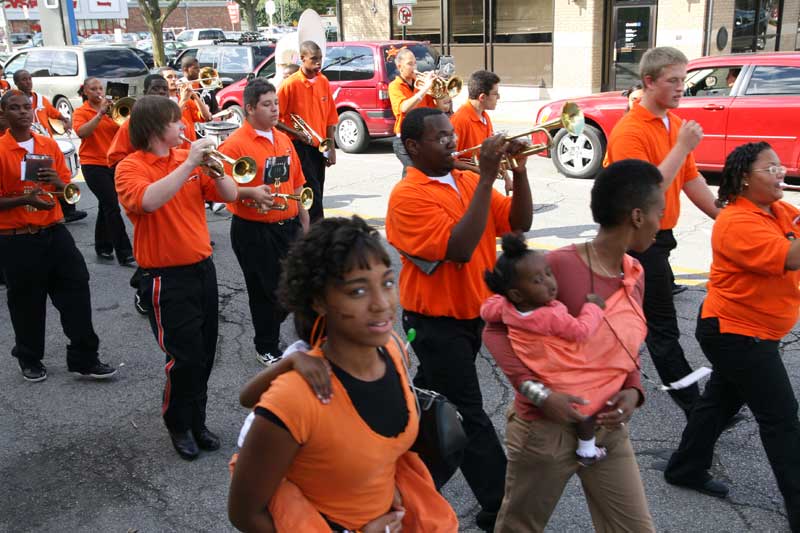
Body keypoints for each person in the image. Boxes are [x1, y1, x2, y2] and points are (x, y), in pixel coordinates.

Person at [228, 215, 458, 533]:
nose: (382, 304)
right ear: (319, 301)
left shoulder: (391, 349)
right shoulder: (294, 399)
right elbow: (245, 514)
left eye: (388, 283)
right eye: (358, 292)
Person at [483, 159, 661, 532]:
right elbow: (495, 331)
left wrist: (633, 388)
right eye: (661, 211)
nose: (664, 222)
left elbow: (622, 343)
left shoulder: (635, 272)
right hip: (544, 430)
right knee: (520, 527)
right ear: (638, 217)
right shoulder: (556, 267)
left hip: (606, 427)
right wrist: (542, 395)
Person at [385, 107, 533, 531]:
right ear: (413, 147)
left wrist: (519, 172)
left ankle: (401, 480)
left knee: (430, 411)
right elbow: (459, 249)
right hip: (435, 322)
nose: (452, 142)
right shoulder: (408, 195)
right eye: (441, 138)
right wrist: (487, 177)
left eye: (452, 135)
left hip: (474, 315)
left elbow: (518, 224)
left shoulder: (467, 179)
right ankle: (502, 508)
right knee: (469, 412)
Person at [664, 142, 800, 531]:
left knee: (720, 402)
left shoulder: (776, 210)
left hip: (748, 332)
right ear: (743, 178)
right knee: (781, 419)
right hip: (738, 334)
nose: (780, 173)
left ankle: (685, 468)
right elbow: (791, 256)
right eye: (769, 168)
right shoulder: (737, 222)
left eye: (779, 166)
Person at [114, 95, 239, 460]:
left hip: (202, 270)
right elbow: (147, 202)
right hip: (165, 277)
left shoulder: (186, 160)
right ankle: (178, 423)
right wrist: (190, 166)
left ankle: (197, 420)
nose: (183, 127)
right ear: (155, 128)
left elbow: (229, 195)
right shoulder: (129, 167)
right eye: (175, 122)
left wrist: (217, 170)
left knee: (204, 353)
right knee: (183, 357)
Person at [605, 46, 720, 418]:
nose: (681, 87)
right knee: (662, 326)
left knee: (637, 322)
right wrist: (684, 145)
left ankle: (608, 378)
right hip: (637, 241)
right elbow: (646, 192)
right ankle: (696, 406)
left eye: (683, 80)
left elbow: (690, 178)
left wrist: (724, 214)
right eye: (673, 80)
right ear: (649, 82)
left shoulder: (672, 124)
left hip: (660, 239)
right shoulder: (629, 131)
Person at [0, 90, 117, 383]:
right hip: (17, 238)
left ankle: (84, 358)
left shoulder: (47, 144)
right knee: (27, 302)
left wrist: (57, 182)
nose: (23, 112)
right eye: (14, 108)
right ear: (3, 115)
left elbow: (66, 190)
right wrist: (20, 202)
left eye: (27, 107)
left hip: (54, 230)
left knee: (76, 288)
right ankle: (28, 357)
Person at [481, 233, 609, 466]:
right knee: (589, 403)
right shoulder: (550, 316)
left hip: (537, 370)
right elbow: (580, 331)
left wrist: (500, 299)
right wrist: (593, 307)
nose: (550, 282)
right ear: (518, 293)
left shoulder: (506, 308)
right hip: (558, 371)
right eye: (538, 281)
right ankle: (587, 449)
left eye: (548, 274)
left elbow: (487, 310)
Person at [218, 78, 309, 365]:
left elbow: (297, 183)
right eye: (267, 105)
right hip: (254, 230)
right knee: (266, 291)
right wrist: (249, 193)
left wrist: (304, 221)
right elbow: (222, 189)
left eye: (276, 103)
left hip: (288, 225)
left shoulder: (283, 139)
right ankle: (266, 345)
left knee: (293, 286)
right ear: (249, 109)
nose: (275, 110)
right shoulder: (234, 145)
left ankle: (285, 334)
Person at [73, 77, 135, 267]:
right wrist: (99, 114)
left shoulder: (113, 109)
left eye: (100, 88)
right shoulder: (81, 112)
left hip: (113, 162)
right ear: (85, 92)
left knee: (105, 206)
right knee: (112, 206)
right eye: (93, 89)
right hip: (92, 165)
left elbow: (126, 130)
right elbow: (82, 133)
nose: (99, 91)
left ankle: (103, 246)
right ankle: (124, 253)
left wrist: (114, 112)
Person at [13, 69, 86, 224]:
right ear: (17, 83)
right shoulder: (14, 100)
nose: (28, 81)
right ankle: (40, 213)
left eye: (29, 78)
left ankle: (67, 210)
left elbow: (53, 113)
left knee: (58, 177)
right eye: (24, 79)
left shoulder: (40, 99)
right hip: (28, 146)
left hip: (45, 144)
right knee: (36, 180)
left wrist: (65, 120)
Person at [277, 40, 338, 223]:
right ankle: (317, 229)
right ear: (302, 59)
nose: (319, 63)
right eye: (314, 59)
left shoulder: (323, 81)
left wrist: (331, 148)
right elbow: (275, 119)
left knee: (318, 186)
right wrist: (295, 133)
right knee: (312, 190)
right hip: (300, 145)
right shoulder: (290, 84)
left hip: (319, 145)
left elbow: (330, 118)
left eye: (320, 58)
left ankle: (307, 226)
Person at [449, 70, 512, 192]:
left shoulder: (484, 116)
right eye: (495, 94)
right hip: (463, 186)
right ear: (482, 97)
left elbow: (492, 153)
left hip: (479, 183)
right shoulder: (459, 120)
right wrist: (478, 170)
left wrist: (507, 178)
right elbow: (448, 159)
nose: (498, 97)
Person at [388, 48, 436, 173]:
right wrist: (424, 89)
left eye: (415, 63)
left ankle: (405, 191)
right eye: (410, 64)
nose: (414, 67)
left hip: (422, 137)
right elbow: (404, 108)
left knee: (416, 173)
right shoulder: (394, 86)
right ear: (400, 67)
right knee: (415, 170)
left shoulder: (419, 84)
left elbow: (435, 109)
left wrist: (440, 92)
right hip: (404, 139)